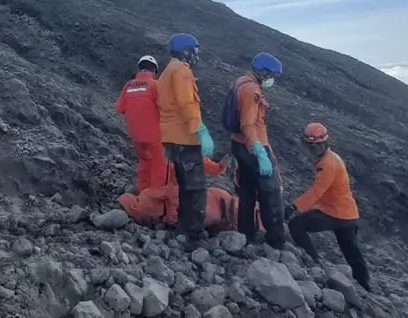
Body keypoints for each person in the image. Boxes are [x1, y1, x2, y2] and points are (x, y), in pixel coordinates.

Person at [284, 123, 371, 292]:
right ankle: (365, 285)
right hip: (348, 214)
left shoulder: (328, 164)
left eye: (315, 145)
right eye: (310, 145)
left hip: (336, 213)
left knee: (296, 225)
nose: (312, 148)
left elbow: (316, 191)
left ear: (324, 143)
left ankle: (313, 263)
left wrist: (292, 207)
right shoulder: (330, 158)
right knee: (351, 251)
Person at [224, 52, 285, 249]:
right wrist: (258, 151)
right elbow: (248, 124)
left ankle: (246, 233)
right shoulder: (252, 90)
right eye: (272, 75)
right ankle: (276, 240)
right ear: (264, 72)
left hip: (238, 145)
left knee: (247, 191)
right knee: (271, 193)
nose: (272, 79)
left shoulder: (240, 82)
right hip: (253, 146)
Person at [157, 33, 215, 241]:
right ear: (185, 51)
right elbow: (186, 103)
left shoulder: (166, 72)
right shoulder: (181, 70)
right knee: (197, 187)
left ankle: (183, 227)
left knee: (184, 185)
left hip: (171, 138)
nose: (195, 56)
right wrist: (200, 130)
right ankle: (194, 233)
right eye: (194, 51)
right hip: (185, 138)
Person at [118, 154, 232, 228]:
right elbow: (144, 167)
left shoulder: (182, 146)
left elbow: (200, 162)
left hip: (172, 200)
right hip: (158, 199)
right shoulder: (155, 146)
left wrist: (219, 167)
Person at [115, 55, 166, 192]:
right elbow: (164, 108)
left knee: (145, 161)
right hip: (154, 136)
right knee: (159, 165)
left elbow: (120, 108)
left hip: (136, 136)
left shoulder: (128, 85)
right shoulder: (155, 85)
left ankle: (143, 191)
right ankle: (155, 197)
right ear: (154, 71)